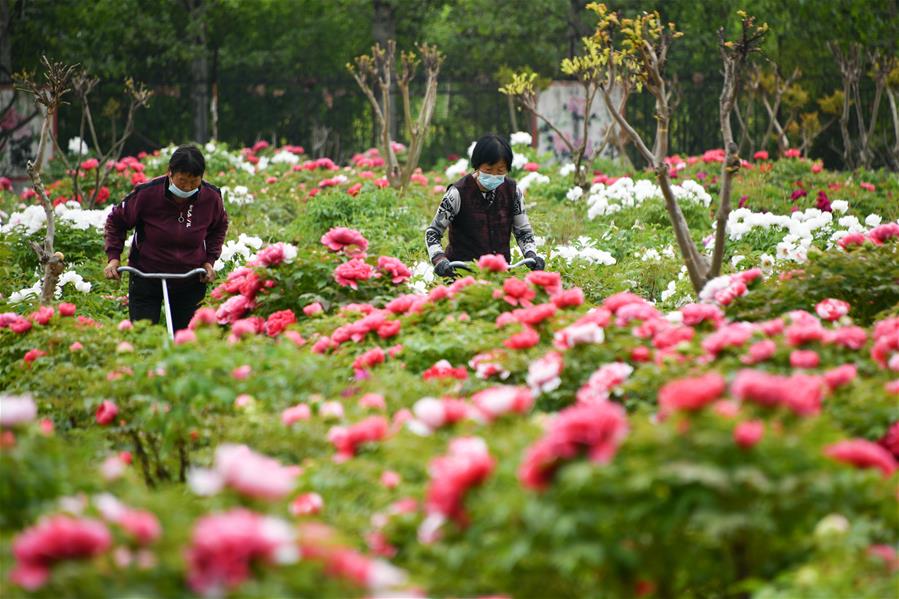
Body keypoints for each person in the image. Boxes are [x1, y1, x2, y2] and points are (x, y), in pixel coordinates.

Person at [103, 144, 228, 331]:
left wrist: (209, 261)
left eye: (194, 182)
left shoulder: (211, 197)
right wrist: (114, 259)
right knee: (144, 337)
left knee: (187, 341)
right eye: (182, 181)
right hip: (146, 276)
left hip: (190, 279)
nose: (187, 187)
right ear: (170, 173)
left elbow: (219, 227)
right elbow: (116, 222)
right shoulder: (146, 193)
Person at [425, 133, 544, 277]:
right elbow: (433, 232)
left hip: (500, 275)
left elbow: (523, 232)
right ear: (477, 166)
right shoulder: (457, 193)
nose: (494, 175)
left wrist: (532, 255)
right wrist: (439, 259)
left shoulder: (513, 192)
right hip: (461, 276)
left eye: (500, 170)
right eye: (488, 170)